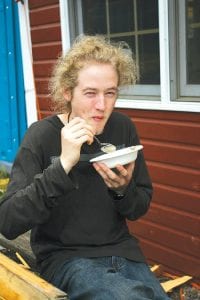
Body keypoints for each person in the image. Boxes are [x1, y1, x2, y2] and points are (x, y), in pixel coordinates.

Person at [0, 35, 170, 300]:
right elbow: (8, 222)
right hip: (66, 259)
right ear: (67, 92)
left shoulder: (123, 128)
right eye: (90, 93)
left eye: (110, 93)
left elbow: (138, 208)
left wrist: (123, 189)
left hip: (123, 252)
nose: (102, 106)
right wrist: (64, 164)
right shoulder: (41, 136)